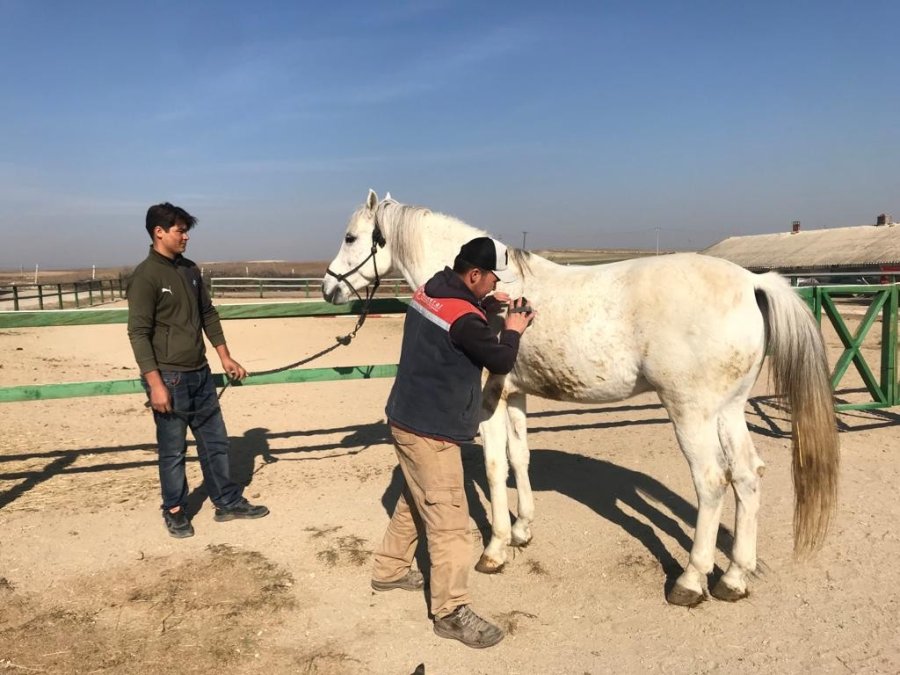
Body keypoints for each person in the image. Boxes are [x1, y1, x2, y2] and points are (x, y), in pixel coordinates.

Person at [370, 236, 535, 649]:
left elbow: (455, 324)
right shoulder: (465, 318)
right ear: (474, 274)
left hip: (405, 417)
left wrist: (483, 304)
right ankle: (450, 611)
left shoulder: (430, 289)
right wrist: (512, 329)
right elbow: (499, 360)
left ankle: (388, 570)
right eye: (492, 278)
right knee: (449, 522)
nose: (497, 285)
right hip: (432, 429)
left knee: (415, 498)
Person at [127, 202, 269, 538]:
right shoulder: (145, 277)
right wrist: (155, 383)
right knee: (173, 451)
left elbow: (208, 315)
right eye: (180, 230)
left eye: (186, 229)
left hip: (201, 374)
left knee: (216, 442)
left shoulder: (190, 270)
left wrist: (225, 356)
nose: (186, 236)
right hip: (169, 379)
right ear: (158, 232)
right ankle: (175, 509)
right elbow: (138, 333)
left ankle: (227, 501)